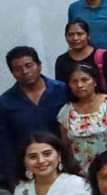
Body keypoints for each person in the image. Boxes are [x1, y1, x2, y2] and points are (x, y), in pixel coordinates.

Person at [1, 48, 68, 186]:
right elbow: (5, 145)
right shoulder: (5, 102)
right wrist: (13, 180)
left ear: (39, 65)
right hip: (30, 171)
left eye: (28, 65)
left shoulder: (62, 90)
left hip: (64, 165)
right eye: (18, 69)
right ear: (12, 73)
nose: (25, 71)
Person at [57, 63, 107, 173]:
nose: (79, 85)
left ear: (95, 82)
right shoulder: (66, 112)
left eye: (85, 80)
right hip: (81, 172)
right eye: (74, 81)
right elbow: (66, 147)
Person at [55, 19, 107, 96]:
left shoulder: (103, 57)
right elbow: (62, 90)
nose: (75, 38)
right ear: (66, 37)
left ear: (88, 36)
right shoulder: (61, 61)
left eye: (80, 34)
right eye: (71, 34)